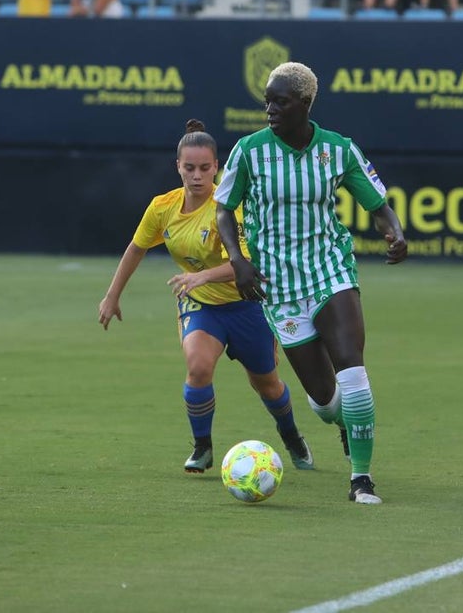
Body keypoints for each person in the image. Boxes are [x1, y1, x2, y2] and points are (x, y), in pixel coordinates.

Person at [214, 62, 408, 506]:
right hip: (278, 286)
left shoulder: (338, 150)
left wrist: (394, 232)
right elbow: (225, 209)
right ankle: (343, 424)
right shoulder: (249, 151)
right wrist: (238, 261)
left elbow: (378, 203)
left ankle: (361, 479)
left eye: (279, 101)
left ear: (304, 103)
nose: (270, 108)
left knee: (353, 373)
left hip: (330, 271)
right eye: (267, 99)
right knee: (323, 401)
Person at [99, 119, 315, 474]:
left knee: (267, 383)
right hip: (201, 306)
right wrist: (112, 296)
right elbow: (136, 248)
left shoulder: (229, 207)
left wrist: (201, 276)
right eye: (189, 168)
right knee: (198, 367)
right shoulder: (162, 208)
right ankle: (202, 447)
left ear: (217, 167)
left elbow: (247, 265)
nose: (196, 175)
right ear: (178, 167)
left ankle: (291, 436)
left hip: (246, 304)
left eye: (204, 167)